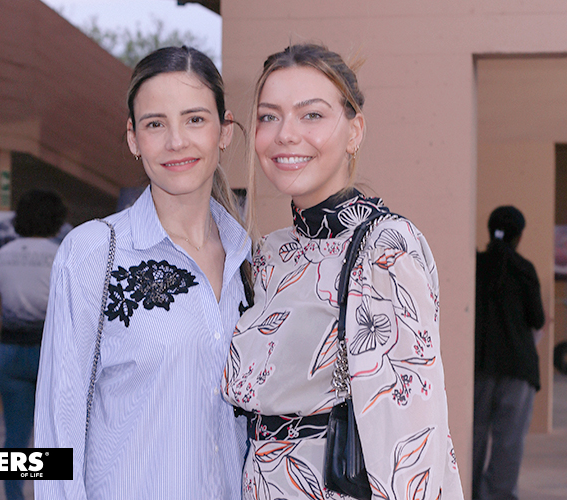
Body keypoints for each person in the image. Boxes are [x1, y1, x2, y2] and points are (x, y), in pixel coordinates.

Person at [222, 44, 464, 500]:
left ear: (355, 132)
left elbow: (412, 441)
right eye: (269, 116)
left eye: (311, 115)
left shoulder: (384, 249)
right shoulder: (271, 254)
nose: (285, 134)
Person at [34, 46, 250, 499]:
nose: (176, 141)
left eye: (195, 119)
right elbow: (58, 424)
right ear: (133, 138)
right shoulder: (94, 254)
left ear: (224, 131)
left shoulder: (250, 260)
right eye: (155, 124)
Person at [0, 189, 67, 500]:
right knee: (58, 439)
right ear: (57, 219)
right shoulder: (61, 253)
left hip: (9, 353)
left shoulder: (2, 255)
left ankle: (14, 496)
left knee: (15, 439)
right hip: (52, 354)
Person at [472, 206, 545, 500]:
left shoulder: (475, 265)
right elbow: (537, 319)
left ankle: (467, 491)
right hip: (519, 369)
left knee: (473, 436)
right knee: (509, 443)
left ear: (490, 231)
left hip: (479, 368)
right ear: (519, 236)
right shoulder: (524, 269)